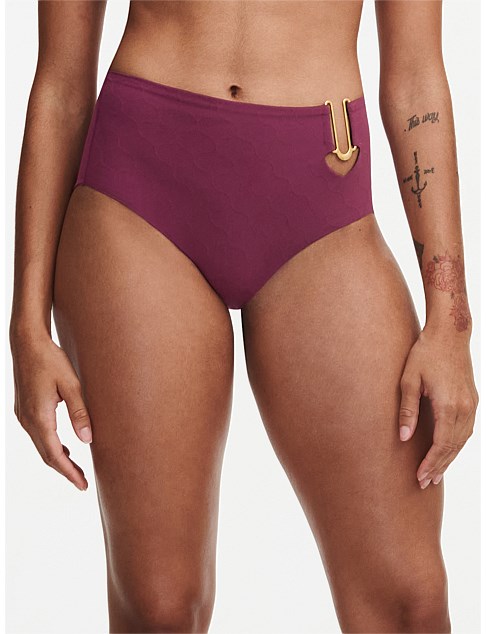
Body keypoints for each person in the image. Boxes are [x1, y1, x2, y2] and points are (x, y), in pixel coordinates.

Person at [9, 1, 478, 632]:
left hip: (322, 201)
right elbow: (61, 83)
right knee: (160, 608)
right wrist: (26, 326)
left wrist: (450, 321)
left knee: (409, 604)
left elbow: (417, 78)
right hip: (138, 195)